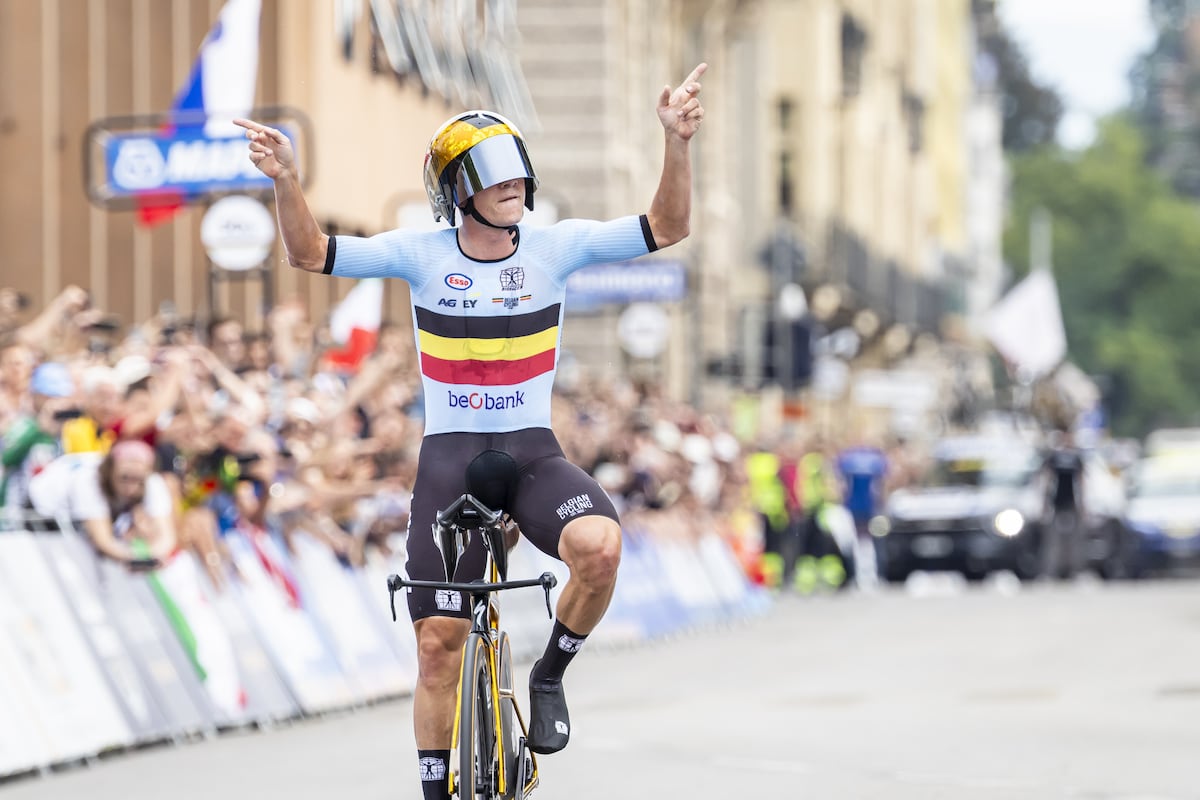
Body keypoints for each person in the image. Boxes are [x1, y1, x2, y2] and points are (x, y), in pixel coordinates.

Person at [235, 62, 706, 799]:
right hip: (451, 460)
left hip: (531, 455)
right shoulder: (418, 253)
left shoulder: (558, 246)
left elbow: (668, 227)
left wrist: (676, 142)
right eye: (494, 176)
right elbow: (309, 253)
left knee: (600, 549)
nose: (513, 186)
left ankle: (549, 674)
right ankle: (433, 791)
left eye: (518, 172)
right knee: (437, 646)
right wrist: (285, 178)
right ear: (458, 191)